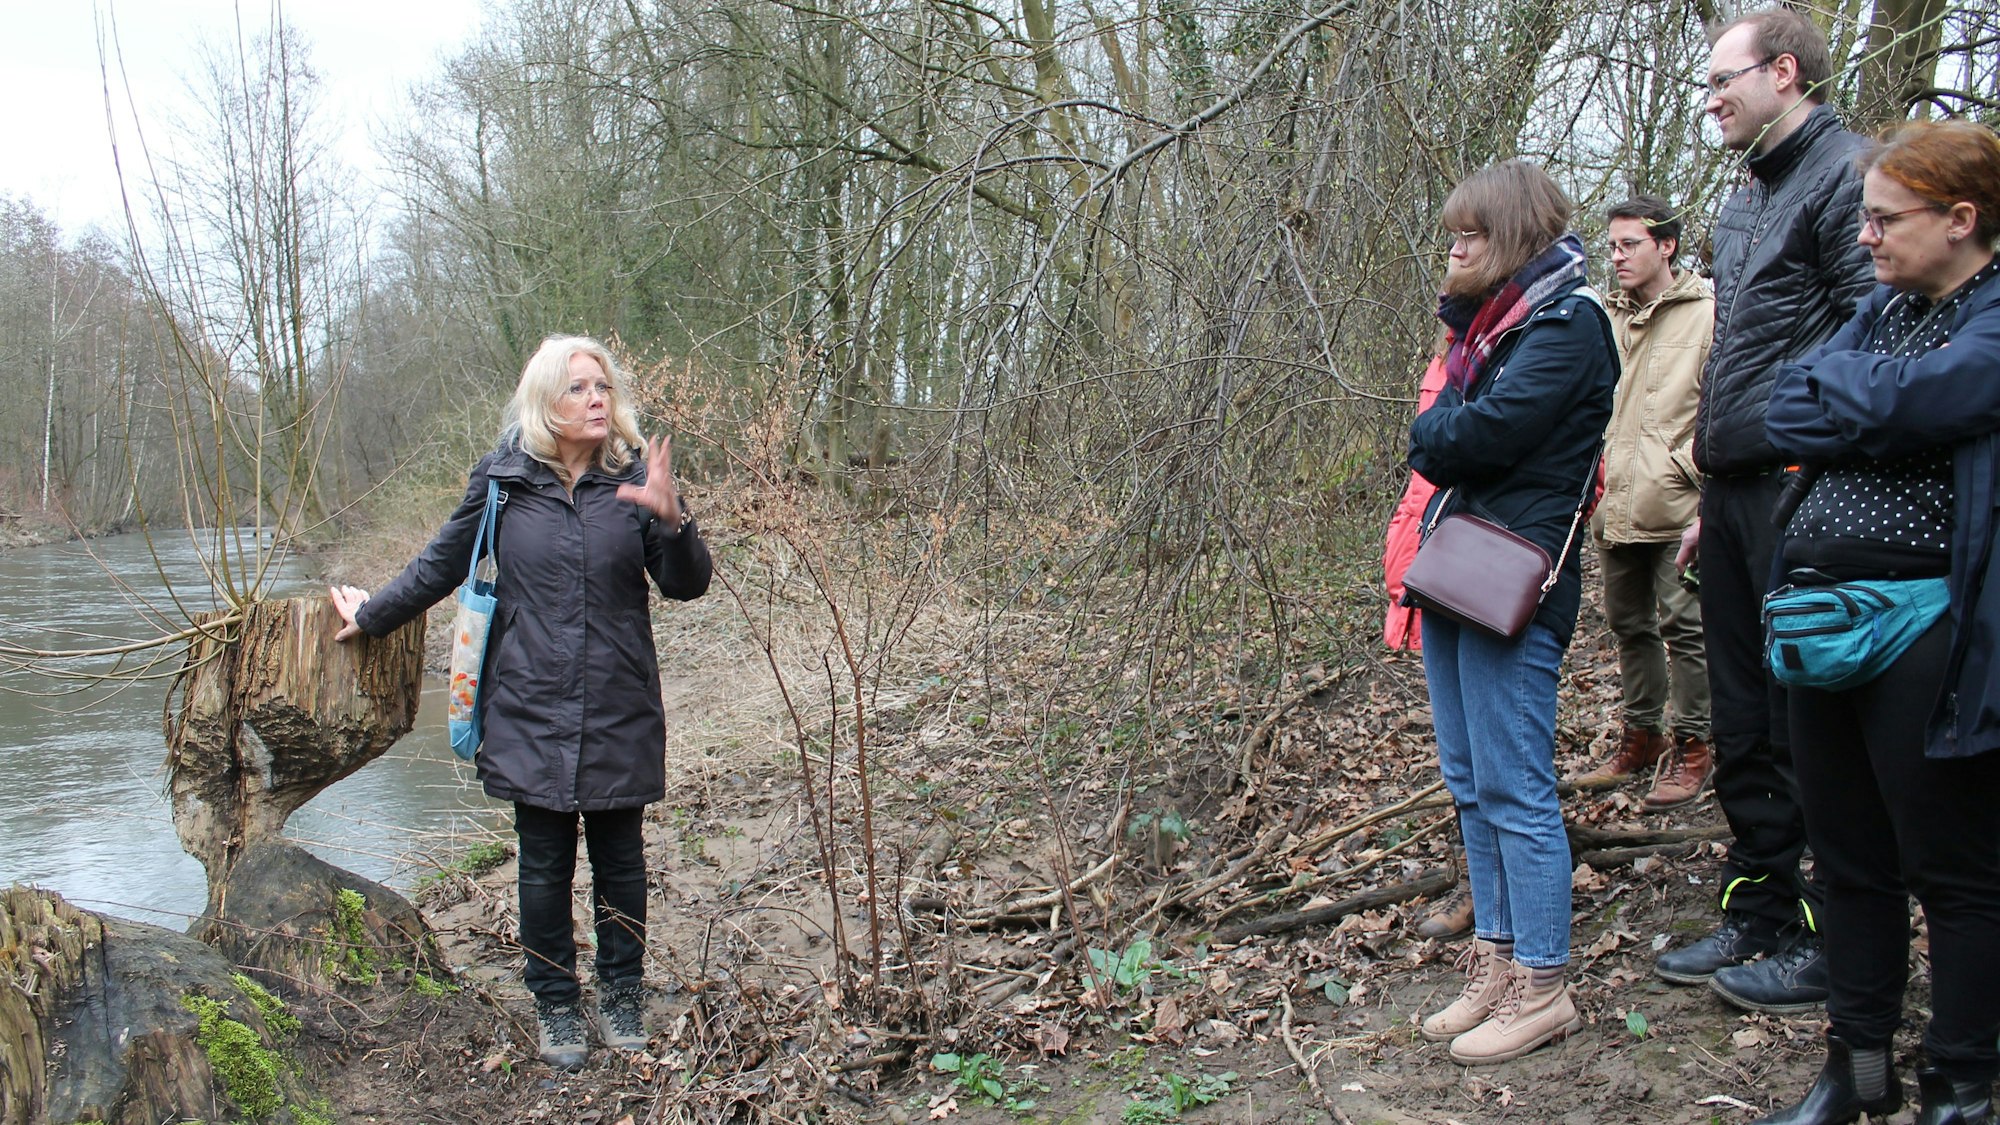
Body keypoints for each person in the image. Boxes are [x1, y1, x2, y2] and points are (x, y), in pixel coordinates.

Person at [329, 336, 712, 1069]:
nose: (597, 398)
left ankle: (623, 993)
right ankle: (557, 1004)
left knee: (620, 859)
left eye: (603, 385)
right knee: (541, 864)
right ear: (545, 403)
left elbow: (686, 584)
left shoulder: (634, 481)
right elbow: (441, 563)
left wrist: (674, 522)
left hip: (617, 703)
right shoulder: (503, 482)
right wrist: (373, 612)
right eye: (579, 388)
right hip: (528, 704)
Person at [1759, 119, 2000, 1125]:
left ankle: (1958, 1087)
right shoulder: (1880, 314)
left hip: (1930, 632)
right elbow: (1782, 407)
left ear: (1959, 218)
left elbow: (1939, 396)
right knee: (1845, 859)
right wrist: (1882, 401)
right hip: (1820, 628)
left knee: (1951, 870)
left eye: (1882, 219)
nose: (1863, 238)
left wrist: (1873, 403)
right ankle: (1853, 1075)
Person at [1655, 6, 1874, 1011]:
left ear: (1782, 73)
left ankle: (1840, 939)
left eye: (1719, 81)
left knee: (1805, 725)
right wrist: (1707, 485)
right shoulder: (1742, 198)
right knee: (1740, 723)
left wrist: (1817, 470)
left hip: (1807, 492)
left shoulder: (1847, 180)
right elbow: (1737, 348)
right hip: (1734, 496)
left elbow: (1876, 339)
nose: (1706, 101)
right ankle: (1758, 913)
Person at [1407, 159, 1617, 1065]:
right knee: (1468, 783)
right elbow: (1450, 428)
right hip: (1456, 571)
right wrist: (1447, 418)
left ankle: (1544, 983)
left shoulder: (1570, 325)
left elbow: (1466, 437)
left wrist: (1443, 426)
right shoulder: (1492, 330)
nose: (1455, 247)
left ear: (1519, 237)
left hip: (1516, 586)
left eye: (1473, 234)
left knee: (1517, 789)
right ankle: (1494, 963)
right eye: (1452, 232)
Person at [1570, 196, 1714, 805]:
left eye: (1630, 244)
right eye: (1611, 245)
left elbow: (1722, 407)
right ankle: (1642, 735)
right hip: (1614, 499)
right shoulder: (1605, 316)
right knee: (1628, 625)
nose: (1617, 255)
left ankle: (1696, 744)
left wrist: (1689, 472)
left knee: (1687, 625)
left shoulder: (1708, 313)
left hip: (1679, 502)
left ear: (1667, 246)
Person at [1383, 341, 1473, 941]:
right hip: (1433, 568)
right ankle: (1483, 885)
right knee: (1461, 763)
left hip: (1487, 574)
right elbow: (1423, 480)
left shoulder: (1535, 341)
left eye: (1471, 240)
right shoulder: (1447, 357)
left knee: (1499, 762)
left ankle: (1509, 906)